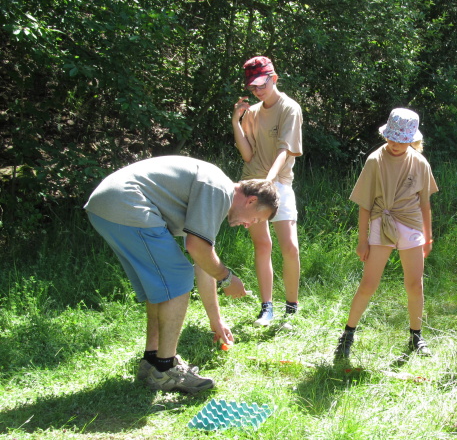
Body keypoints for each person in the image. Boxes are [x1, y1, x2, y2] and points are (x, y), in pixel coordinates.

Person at [85, 156, 279, 393]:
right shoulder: (219, 190)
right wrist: (227, 278)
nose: (249, 225)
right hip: (127, 204)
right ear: (251, 200)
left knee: (161, 285)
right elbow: (198, 248)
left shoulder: (214, 191)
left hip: (105, 205)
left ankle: (152, 360)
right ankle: (166, 370)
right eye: (256, 218)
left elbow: (203, 260)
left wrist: (216, 319)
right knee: (177, 278)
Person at [334, 108, 438, 359]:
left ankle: (416, 335)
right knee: (368, 283)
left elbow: (425, 204)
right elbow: (365, 204)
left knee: (415, 284)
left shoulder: (420, 162)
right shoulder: (375, 160)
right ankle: (347, 334)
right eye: (391, 138)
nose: (395, 144)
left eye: (401, 140)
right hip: (382, 222)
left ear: (412, 139)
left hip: (411, 224)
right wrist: (362, 240)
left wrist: (427, 237)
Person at [232, 56, 303, 327]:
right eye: (253, 87)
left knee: (290, 247)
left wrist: (269, 182)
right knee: (262, 245)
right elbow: (248, 156)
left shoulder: (289, 108)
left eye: (262, 84)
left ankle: (291, 307)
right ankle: (267, 307)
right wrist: (236, 121)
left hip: (278, 183)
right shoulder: (251, 113)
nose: (258, 90)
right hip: (253, 183)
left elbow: (285, 150)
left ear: (274, 78)